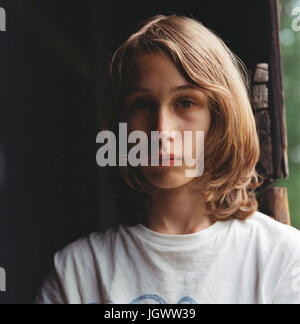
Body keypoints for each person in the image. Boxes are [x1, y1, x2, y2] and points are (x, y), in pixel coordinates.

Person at [35, 14, 300, 304]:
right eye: (142, 104)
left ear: (220, 117)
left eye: (185, 102)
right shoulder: (77, 274)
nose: (161, 129)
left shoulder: (281, 258)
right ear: (121, 125)